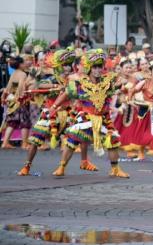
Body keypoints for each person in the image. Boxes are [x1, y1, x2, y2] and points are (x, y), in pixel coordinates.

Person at [50, 49, 129, 178]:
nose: (98, 70)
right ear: (89, 68)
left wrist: (123, 86)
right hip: (85, 118)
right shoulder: (80, 83)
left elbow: (126, 82)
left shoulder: (108, 82)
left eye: (100, 67)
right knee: (72, 141)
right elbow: (66, 94)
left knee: (112, 141)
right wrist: (54, 106)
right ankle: (61, 167)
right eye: (95, 67)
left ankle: (115, 169)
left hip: (103, 118)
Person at [18, 49, 95, 175]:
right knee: (35, 140)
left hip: (70, 113)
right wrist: (54, 87)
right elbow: (37, 86)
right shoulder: (51, 77)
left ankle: (78, 163)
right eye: (64, 64)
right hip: (51, 112)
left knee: (82, 135)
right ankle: (27, 166)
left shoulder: (74, 78)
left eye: (69, 64)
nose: (67, 67)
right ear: (58, 66)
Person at [1, 55, 33, 149]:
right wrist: (21, 97)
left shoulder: (14, 73)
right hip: (19, 100)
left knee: (12, 122)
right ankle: (24, 143)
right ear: (20, 64)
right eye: (23, 63)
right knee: (25, 122)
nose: (25, 64)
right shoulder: (22, 74)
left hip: (11, 100)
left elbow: (8, 87)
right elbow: (21, 87)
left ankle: (5, 142)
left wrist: (4, 97)